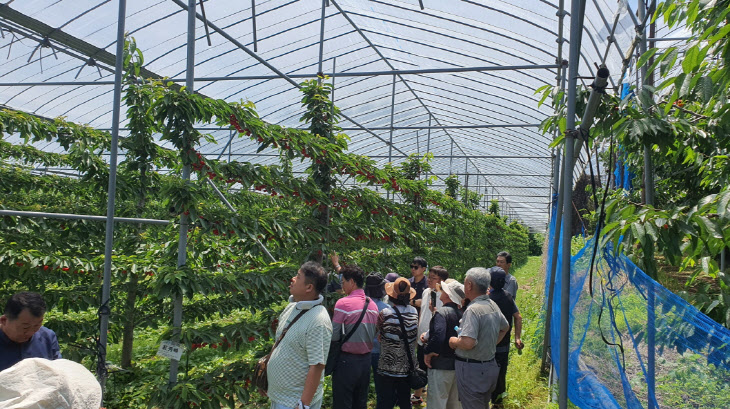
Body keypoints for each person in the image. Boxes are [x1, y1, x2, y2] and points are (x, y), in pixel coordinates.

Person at [267, 262, 332, 409]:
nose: (293, 279)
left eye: (298, 276)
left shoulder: (318, 321)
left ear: (309, 287)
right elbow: (280, 343)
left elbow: (317, 365)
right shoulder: (291, 308)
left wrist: (303, 404)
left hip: (293, 401)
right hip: (279, 396)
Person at [449, 267, 509, 409]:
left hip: (472, 371)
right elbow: (505, 327)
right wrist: (490, 344)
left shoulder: (473, 310)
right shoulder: (492, 305)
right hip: (489, 367)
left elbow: (468, 342)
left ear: (469, 285)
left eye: (465, 282)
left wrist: (454, 341)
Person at [331, 265, 379, 409]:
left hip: (346, 361)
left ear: (351, 282)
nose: (342, 286)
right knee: (360, 401)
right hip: (365, 361)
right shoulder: (372, 305)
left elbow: (334, 336)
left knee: (342, 402)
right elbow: (374, 331)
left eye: (343, 282)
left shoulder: (343, 303)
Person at [376, 277, 418, 409]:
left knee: (385, 402)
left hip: (387, 366)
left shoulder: (385, 313)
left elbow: (379, 335)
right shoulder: (414, 312)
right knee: (405, 401)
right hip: (407, 366)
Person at [423, 280, 465, 409]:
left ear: (448, 294)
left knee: (437, 403)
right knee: (454, 404)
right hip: (457, 366)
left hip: (441, 366)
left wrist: (428, 352)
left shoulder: (441, 313)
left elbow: (438, 335)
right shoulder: (461, 314)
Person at [488, 267, 523, 408]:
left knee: (485, 374)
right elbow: (518, 317)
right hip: (504, 344)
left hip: (487, 345)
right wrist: (517, 337)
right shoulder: (508, 296)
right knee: (501, 374)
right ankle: (498, 403)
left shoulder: (488, 299)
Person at [413, 265, 449, 405]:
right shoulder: (426, 291)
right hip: (422, 337)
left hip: (433, 338)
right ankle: (418, 395)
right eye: (429, 277)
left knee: (432, 369)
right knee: (420, 367)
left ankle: (432, 399)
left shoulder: (444, 296)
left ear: (442, 281)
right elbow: (423, 313)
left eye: (433, 278)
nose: (429, 280)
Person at [0, 291, 61, 372]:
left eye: (37, 326)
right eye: (25, 327)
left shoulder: (48, 337)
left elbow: (59, 373)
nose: (31, 333)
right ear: (4, 320)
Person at [364, 273, 389, 404]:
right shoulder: (386, 309)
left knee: (361, 389)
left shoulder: (361, 305)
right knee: (382, 389)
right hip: (380, 351)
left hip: (362, 352)